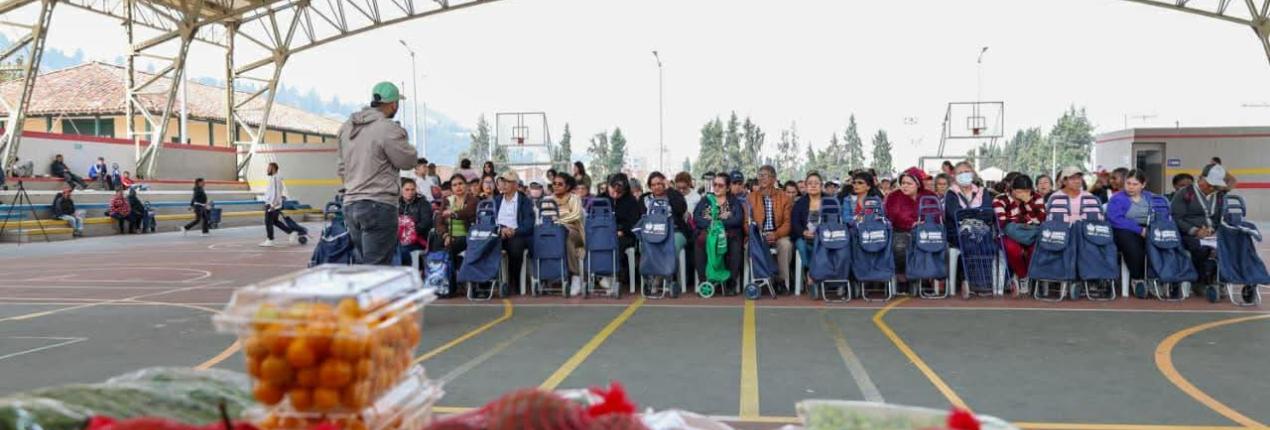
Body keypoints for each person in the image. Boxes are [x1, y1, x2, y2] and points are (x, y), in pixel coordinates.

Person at [337, 81, 418, 265]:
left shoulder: (347, 128)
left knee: (363, 264)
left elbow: (341, 168)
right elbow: (407, 161)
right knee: (377, 268)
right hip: (378, 204)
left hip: (351, 204)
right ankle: (373, 295)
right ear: (393, 104)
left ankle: (361, 294)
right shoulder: (387, 128)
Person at [1172, 163, 1228, 284]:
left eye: (1215, 185)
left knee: (1229, 245)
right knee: (1201, 249)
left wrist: (1214, 231)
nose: (1212, 188)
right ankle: (1201, 281)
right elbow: (1176, 218)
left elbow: (1218, 219)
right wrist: (1196, 231)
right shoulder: (1184, 193)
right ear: (1201, 178)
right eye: (1209, 184)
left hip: (1212, 234)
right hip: (1189, 235)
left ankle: (1217, 277)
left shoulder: (1219, 196)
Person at [693, 172, 745, 291]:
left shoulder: (733, 201)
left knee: (734, 243)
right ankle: (704, 281)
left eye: (720, 185)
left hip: (728, 234)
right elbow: (697, 217)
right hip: (708, 232)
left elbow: (737, 219)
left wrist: (720, 227)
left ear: (727, 188)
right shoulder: (706, 199)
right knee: (700, 242)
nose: (716, 187)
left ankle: (730, 283)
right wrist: (713, 226)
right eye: (715, 184)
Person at [886, 170, 939, 285]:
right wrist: (911, 223)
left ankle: (927, 275)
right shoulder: (893, 196)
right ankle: (902, 275)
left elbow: (936, 214)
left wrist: (924, 223)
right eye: (903, 183)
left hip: (927, 230)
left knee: (933, 245)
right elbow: (891, 215)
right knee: (900, 247)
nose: (904, 186)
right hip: (901, 231)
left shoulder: (930, 196)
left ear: (918, 184)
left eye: (909, 183)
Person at [1108, 170, 1156, 294]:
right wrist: (1139, 230)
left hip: (1149, 228)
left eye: (1135, 184)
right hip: (1124, 230)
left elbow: (1162, 215)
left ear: (1143, 185)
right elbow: (1115, 219)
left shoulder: (1150, 197)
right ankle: (1137, 279)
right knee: (1133, 246)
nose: (1131, 187)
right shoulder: (1117, 198)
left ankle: (1158, 279)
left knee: (1163, 244)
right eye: (1128, 183)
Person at [748, 165, 795, 291]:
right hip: (758, 235)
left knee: (786, 245)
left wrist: (776, 234)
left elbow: (787, 223)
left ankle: (781, 281)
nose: (761, 178)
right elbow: (746, 222)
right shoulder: (751, 197)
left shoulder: (784, 197)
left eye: (765, 175)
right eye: (760, 175)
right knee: (749, 245)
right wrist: (758, 235)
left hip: (778, 234)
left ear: (774, 179)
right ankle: (760, 280)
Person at [994, 175, 1045, 287]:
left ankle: (1032, 277)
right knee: (1013, 250)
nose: (1023, 194)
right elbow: (1002, 222)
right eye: (1019, 191)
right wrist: (1026, 220)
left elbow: (1041, 219)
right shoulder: (1000, 199)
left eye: (1027, 191)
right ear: (1012, 189)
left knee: (1036, 249)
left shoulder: (1036, 198)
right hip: (1009, 234)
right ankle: (1023, 277)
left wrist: (1028, 202)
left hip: (1032, 233)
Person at [493, 170, 534, 294]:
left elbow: (528, 224)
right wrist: (501, 229)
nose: (504, 184)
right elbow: (490, 220)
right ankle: (487, 282)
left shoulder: (524, 201)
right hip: (499, 232)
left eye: (508, 182)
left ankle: (513, 281)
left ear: (516, 185)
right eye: (502, 181)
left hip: (517, 234)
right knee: (486, 244)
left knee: (516, 248)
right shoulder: (496, 200)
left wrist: (514, 231)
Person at [437, 174, 478, 289]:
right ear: (451, 188)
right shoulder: (447, 201)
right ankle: (444, 281)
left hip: (467, 236)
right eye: (454, 185)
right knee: (438, 246)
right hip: (450, 236)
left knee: (449, 249)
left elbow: (467, 212)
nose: (458, 187)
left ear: (466, 185)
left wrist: (454, 213)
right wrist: (445, 235)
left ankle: (451, 285)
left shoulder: (473, 200)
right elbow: (439, 222)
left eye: (460, 184)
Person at [548, 173, 586, 294]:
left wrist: (559, 221)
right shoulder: (548, 200)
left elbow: (575, 215)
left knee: (569, 238)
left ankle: (576, 276)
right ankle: (550, 275)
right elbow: (545, 216)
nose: (556, 186)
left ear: (568, 186)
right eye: (554, 183)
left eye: (560, 184)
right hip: (554, 231)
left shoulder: (574, 199)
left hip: (574, 231)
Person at [641, 171, 689, 260]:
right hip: (652, 232)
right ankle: (653, 272)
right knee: (644, 245)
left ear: (664, 183)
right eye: (653, 185)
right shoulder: (645, 199)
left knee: (672, 246)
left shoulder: (674, 195)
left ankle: (668, 272)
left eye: (659, 184)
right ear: (650, 187)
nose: (656, 187)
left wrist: (669, 190)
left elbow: (681, 209)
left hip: (675, 231)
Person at [790, 172, 829, 281]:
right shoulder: (800, 203)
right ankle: (810, 271)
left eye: (816, 183)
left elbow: (834, 221)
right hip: (804, 237)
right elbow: (795, 223)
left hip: (824, 236)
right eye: (810, 183)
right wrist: (804, 232)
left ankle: (817, 274)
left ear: (821, 186)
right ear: (806, 187)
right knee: (801, 246)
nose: (813, 186)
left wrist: (820, 233)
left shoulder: (829, 201)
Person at [608, 173, 644, 287]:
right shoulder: (601, 198)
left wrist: (622, 230)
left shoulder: (631, 202)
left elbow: (634, 224)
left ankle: (614, 276)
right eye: (613, 191)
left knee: (616, 243)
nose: (615, 194)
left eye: (619, 192)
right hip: (604, 233)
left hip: (625, 235)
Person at [943, 161, 994, 240]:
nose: (963, 175)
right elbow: (956, 215)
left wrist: (967, 214)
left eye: (966, 171)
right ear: (955, 176)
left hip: (982, 231)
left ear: (972, 174)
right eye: (960, 173)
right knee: (971, 245)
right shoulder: (951, 193)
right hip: (958, 233)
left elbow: (988, 214)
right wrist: (978, 213)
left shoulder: (982, 191)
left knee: (992, 249)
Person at [396, 178, 433, 267]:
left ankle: (406, 273)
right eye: (407, 189)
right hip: (398, 239)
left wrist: (408, 233)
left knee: (401, 249)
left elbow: (425, 223)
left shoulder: (424, 204)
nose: (410, 192)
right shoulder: (397, 203)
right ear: (401, 190)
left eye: (412, 189)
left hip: (418, 240)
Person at [259, 162, 297, 246]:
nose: (267, 169)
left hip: (273, 204)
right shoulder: (274, 178)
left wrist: (273, 205)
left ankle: (270, 239)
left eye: (268, 168)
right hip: (274, 203)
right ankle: (291, 232)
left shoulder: (275, 178)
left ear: (273, 168)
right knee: (275, 221)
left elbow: (276, 193)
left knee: (268, 221)